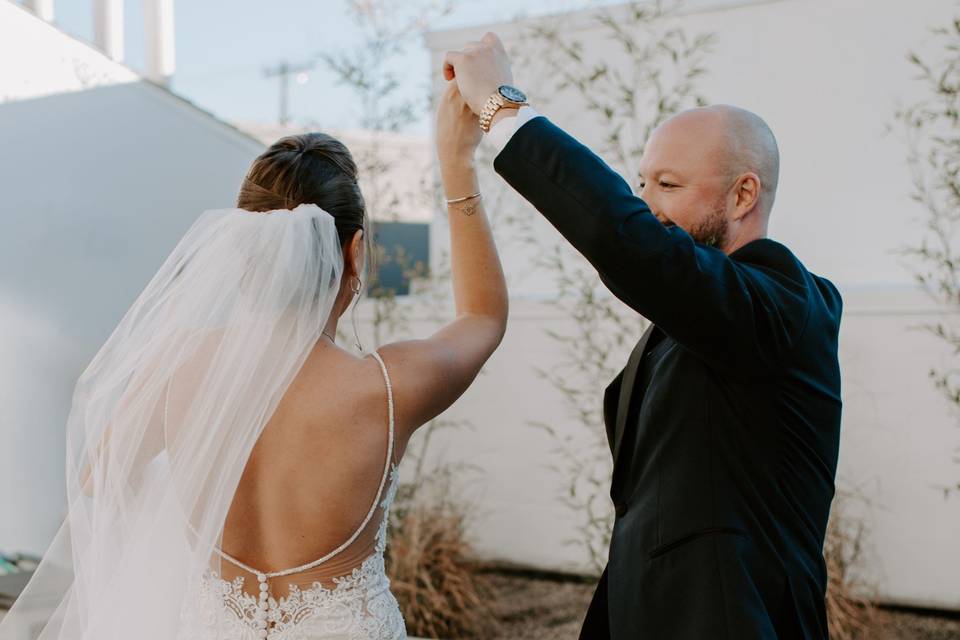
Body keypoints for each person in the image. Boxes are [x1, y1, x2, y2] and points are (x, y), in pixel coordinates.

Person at [0, 87, 505, 639]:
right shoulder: (386, 388)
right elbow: (483, 318)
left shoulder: (178, 367)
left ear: (239, 252)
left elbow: (102, 478)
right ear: (355, 252)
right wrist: (457, 164)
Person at [442, 32, 843, 640]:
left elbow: (627, 239)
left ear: (743, 194)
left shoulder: (787, 303)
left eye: (670, 185)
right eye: (644, 183)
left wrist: (503, 107)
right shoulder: (705, 315)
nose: (647, 203)